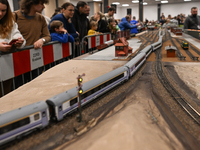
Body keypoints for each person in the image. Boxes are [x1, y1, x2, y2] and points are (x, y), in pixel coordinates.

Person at [0, 0, 26, 97]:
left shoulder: (9, 21)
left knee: (5, 94)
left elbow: (16, 34)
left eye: (3, 10)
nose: (0, 13)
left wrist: (19, 41)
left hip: (6, 66)